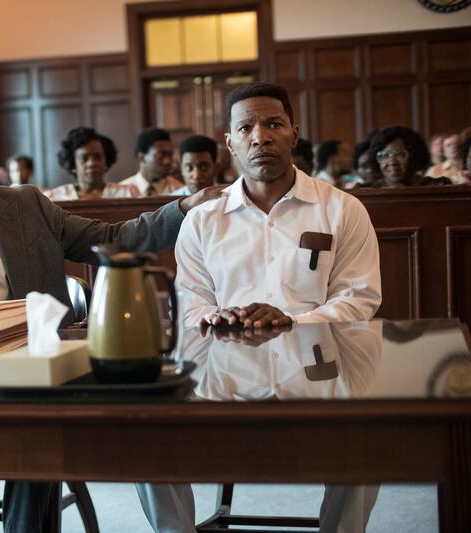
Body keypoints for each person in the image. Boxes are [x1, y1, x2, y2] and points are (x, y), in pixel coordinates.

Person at [0, 109, 214, 533]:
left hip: (42, 376)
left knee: (34, 438)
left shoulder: (24, 205)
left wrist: (183, 209)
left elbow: (109, 238)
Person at [139, 82, 382, 533]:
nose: (260, 136)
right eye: (245, 127)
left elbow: (359, 298)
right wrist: (217, 318)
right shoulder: (201, 221)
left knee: (365, 436)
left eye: (273, 123)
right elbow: (191, 304)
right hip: (222, 379)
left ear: (294, 132)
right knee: (145, 432)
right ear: (229, 142)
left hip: (318, 376)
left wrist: (294, 321)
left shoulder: (342, 210)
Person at [46, 127, 139, 200]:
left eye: (97, 157)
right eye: (83, 158)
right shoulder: (55, 197)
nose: (91, 164)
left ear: (106, 161)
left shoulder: (126, 193)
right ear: (73, 164)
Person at [368, 126, 452, 187]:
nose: (392, 162)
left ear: (414, 156)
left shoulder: (438, 187)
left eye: (400, 154)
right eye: (384, 155)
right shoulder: (366, 191)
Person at [120, 127, 183, 195]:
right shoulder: (122, 191)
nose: (167, 161)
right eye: (161, 155)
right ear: (142, 157)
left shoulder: (179, 191)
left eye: (170, 155)